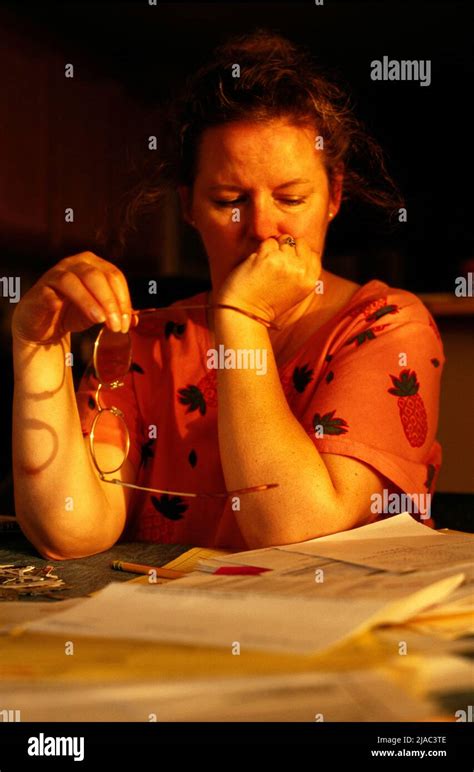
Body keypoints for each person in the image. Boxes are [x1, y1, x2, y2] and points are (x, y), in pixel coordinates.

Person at [11, 30, 444, 558]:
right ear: (189, 206)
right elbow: (70, 530)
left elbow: (293, 533)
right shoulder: (148, 340)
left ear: (333, 196)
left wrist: (241, 317)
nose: (262, 227)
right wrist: (37, 348)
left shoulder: (388, 328)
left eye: (291, 197)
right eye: (229, 199)